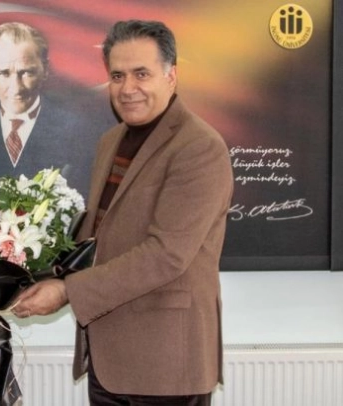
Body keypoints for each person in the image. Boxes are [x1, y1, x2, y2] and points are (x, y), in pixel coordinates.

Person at [13, 20, 233, 405]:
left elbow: (166, 255)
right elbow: (98, 236)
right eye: (117, 76)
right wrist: (23, 261)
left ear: (171, 76)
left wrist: (67, 291)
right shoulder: (111, 141)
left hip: (167, 367)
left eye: (141, 74)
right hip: (109, 358)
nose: (127, 88)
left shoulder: (199, 147)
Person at [0, 21, 113, 222]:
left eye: (26, 72)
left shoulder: (79, 132)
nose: (16, 87)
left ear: (45, 70)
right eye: (4, 73)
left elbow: (88, 212)